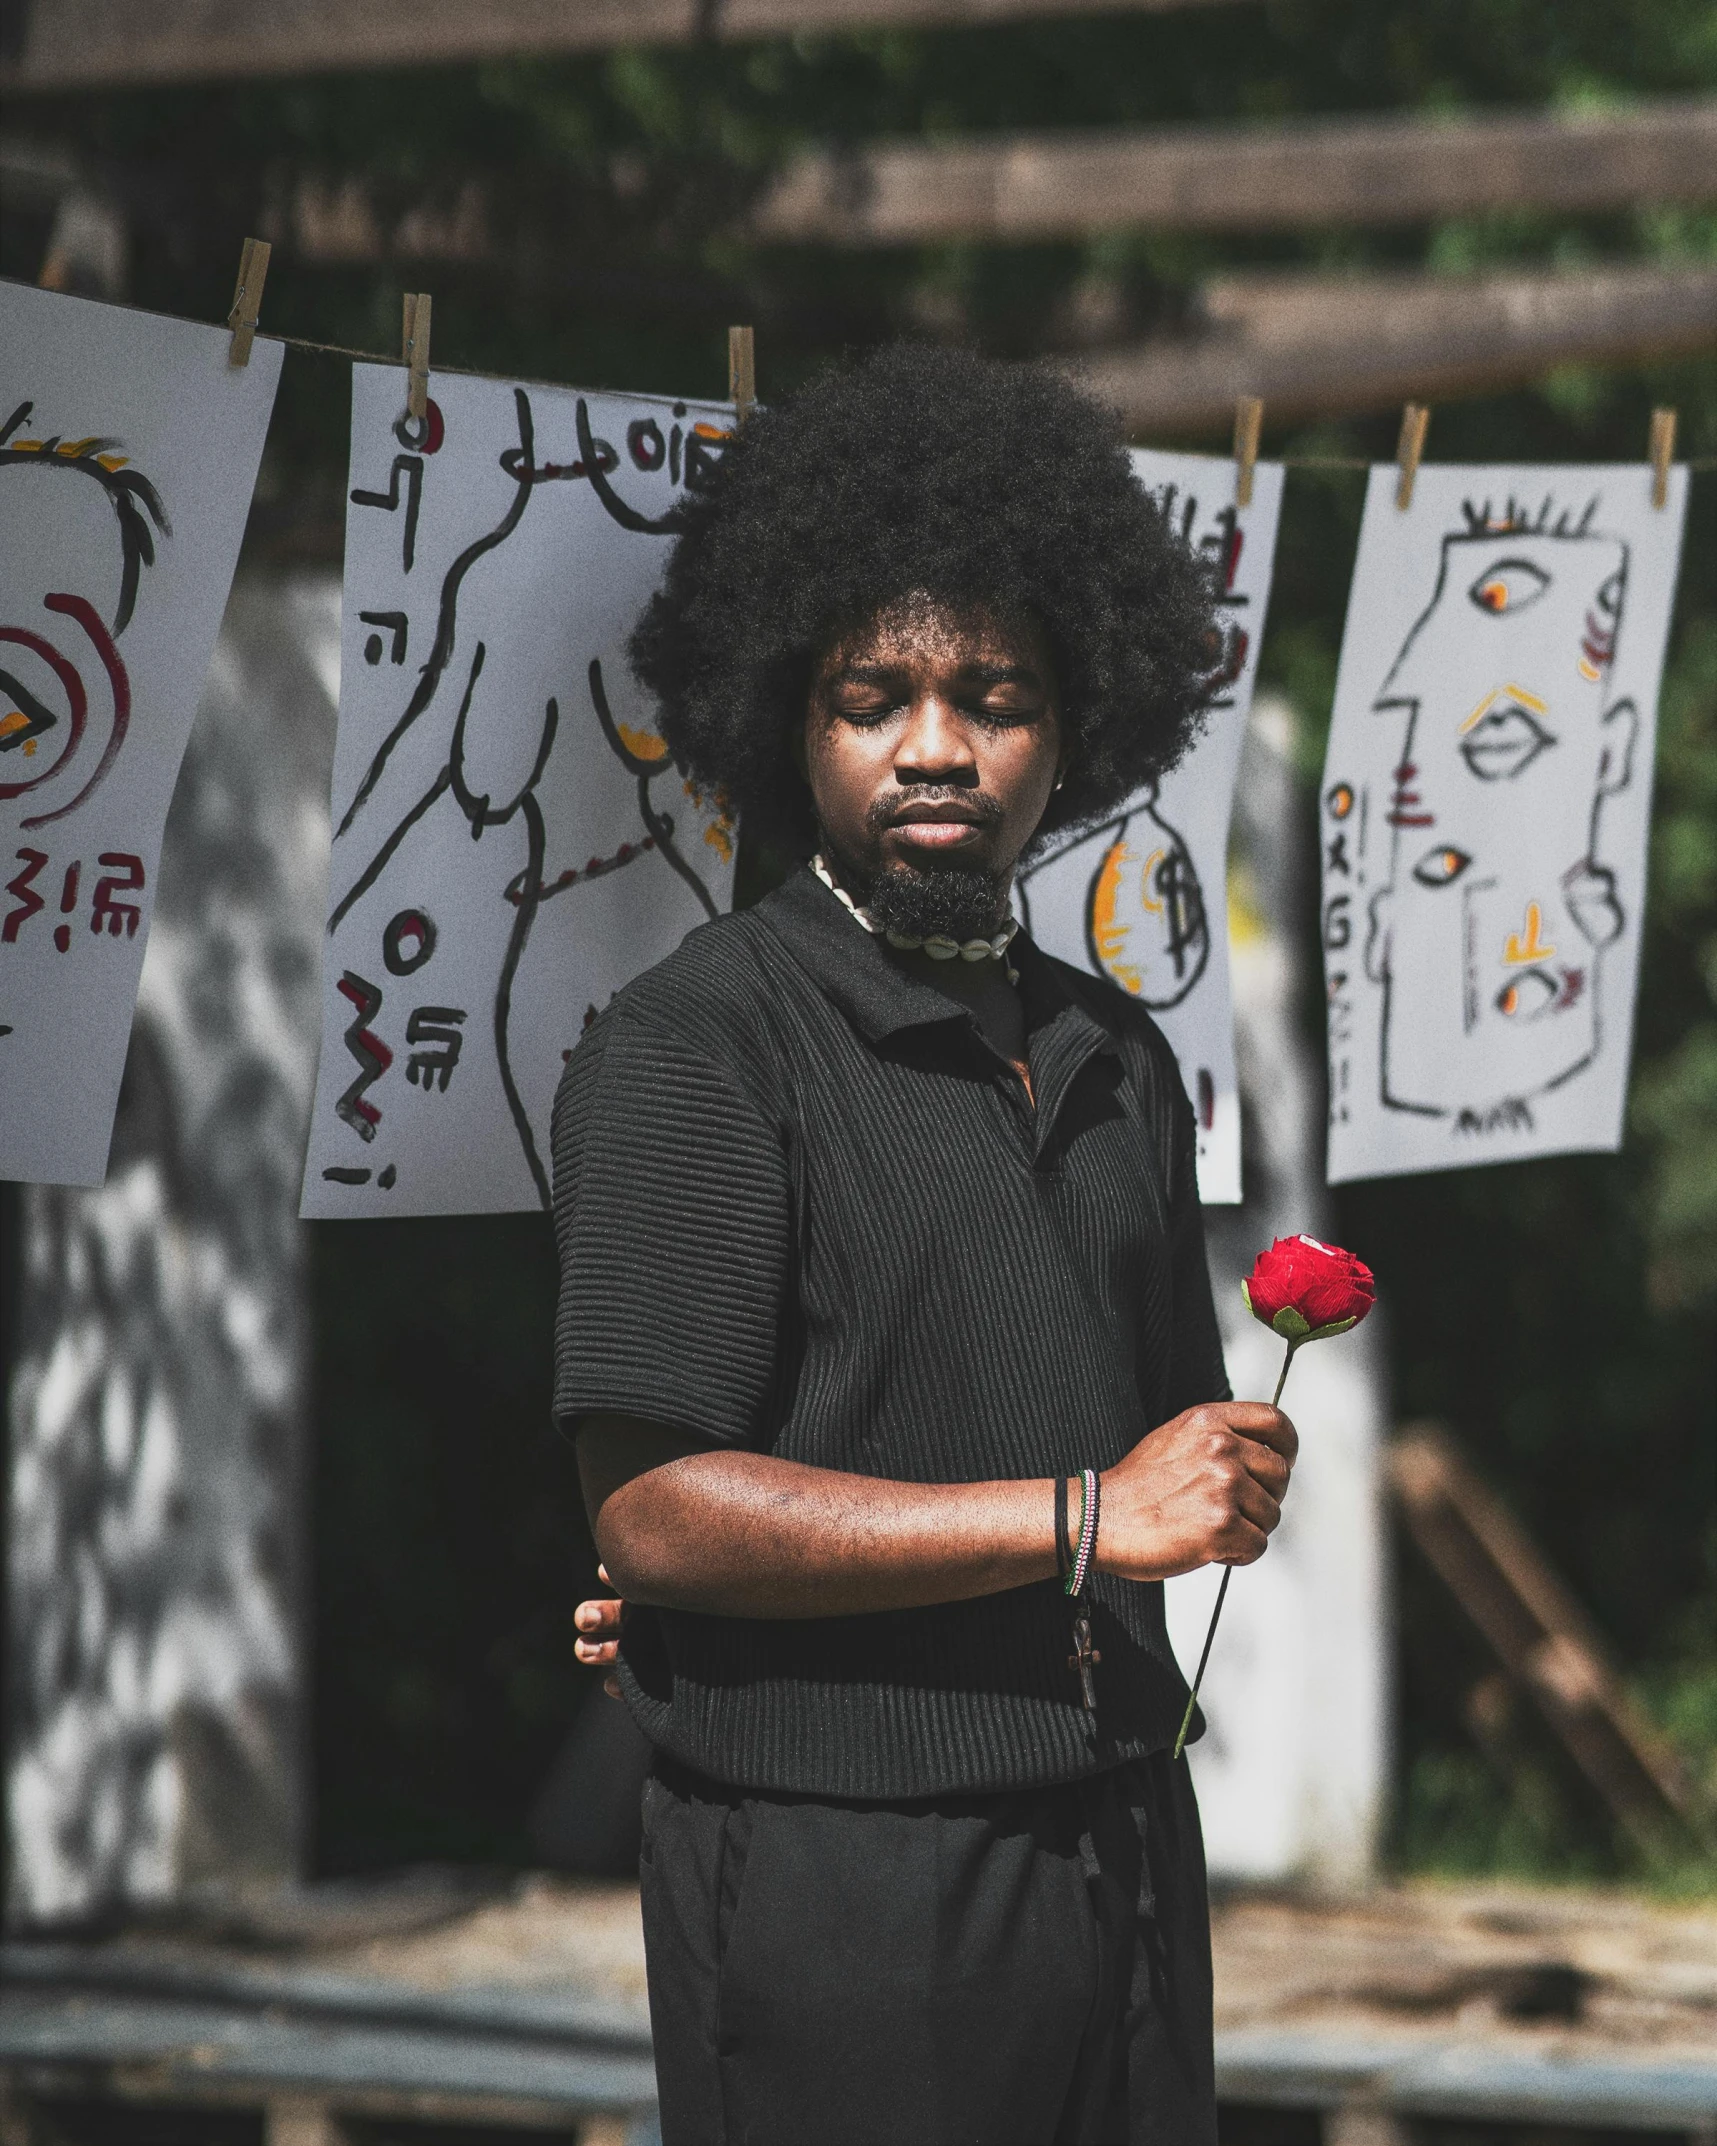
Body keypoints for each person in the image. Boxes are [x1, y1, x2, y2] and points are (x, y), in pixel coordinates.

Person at [551, 344, 1298, 2146]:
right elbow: (652, 1511)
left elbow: (1168, 1473)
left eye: (995, 694)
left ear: (1083, 725)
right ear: (785, 721)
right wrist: (1074, 1516)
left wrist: (1221, 1474)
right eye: (873, 696)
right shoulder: (701, 1041)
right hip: (845, 1890)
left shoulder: (1122, 1052)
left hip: (1122, 1843)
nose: (939, 747)